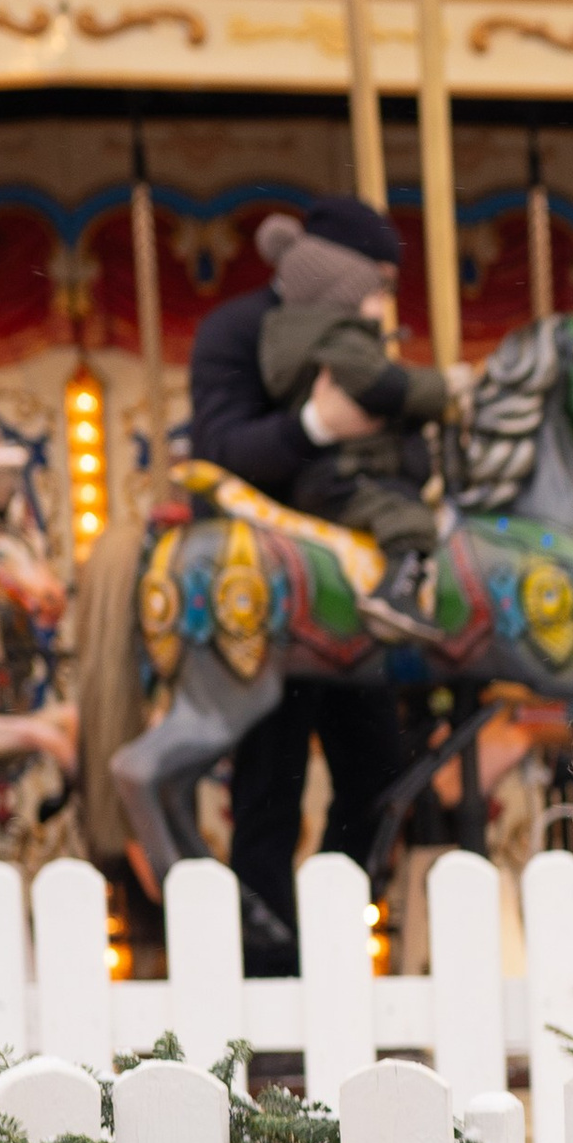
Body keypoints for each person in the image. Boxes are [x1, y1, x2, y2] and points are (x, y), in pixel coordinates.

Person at [186, 193, 422, 955]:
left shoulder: (371, 336)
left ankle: (329, 920)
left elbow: (410, 451)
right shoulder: (237, 330)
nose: (384, 293)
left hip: (351, 595)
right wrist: (317, 425)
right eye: (377, 274)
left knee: (382, 771)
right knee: (268, 778)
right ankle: (267, 957)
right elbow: (220, 450)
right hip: (264, 590)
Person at [249, 207, 455, 631]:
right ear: (343, 294)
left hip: (339, 470)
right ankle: (395, 595)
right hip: (347, 472)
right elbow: (387, 388)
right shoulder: (339, 340)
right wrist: (445, 388)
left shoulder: (310, 336)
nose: (384, 307)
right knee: (408, 517)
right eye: (377, 294)